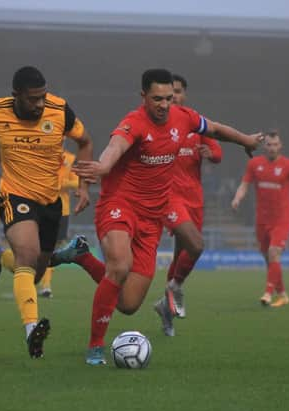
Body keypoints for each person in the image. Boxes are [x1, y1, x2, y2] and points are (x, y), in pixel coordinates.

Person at [56, 69, 262, 365]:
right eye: (157, 99)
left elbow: (214, 129)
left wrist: (245, 140)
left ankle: (81, 256)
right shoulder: (134, 123)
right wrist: (102, 167)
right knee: (120, 266)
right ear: (143, 97)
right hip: (120, 205)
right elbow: (116, 146)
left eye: (168, 98)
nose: (164, 105)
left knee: (127, 303)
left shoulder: (184, 116)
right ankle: (95, 347)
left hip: (153, 217)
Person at [0, 66, 93, 358]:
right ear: (16, 96)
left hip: (51, 201)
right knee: (27, 253)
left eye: (42, 97)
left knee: (36, 272)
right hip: (15, 194)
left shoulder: (60, 111)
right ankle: (31, 330)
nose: (39, 104)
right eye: (33, 99)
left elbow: (85, 142)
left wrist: (84, 186)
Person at [153, 74, 224, 337]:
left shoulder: (194, 122)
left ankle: (166, 309)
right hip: (169, 197)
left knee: (182, 253)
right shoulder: (158, 124)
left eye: (178, 92)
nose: (174, 97)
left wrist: (211, 154)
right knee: (195, 245)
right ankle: (176, 288)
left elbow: (217, 151)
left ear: (184, 95)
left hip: (194, 198)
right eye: (170, 93)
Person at [231, 130, 289, 307]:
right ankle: (283, 294)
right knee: (269, 259)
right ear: (264, 146)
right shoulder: (255, 164)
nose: (272, 148)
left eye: (275, 144)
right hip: (261, 221)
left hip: (281, 220)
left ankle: (267, 294)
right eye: (269, 144)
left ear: (281, 146)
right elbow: (244, 185)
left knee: (273, 253)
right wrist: (237, 198)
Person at [39, 149, 79, 298]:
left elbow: (76, 182)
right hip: (42, 206)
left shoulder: (70, 158)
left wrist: (62, 183)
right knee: (37, 246)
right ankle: (38, 282)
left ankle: (45, 284)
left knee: (53, 248)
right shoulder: (42, 154)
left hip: (62, 210)